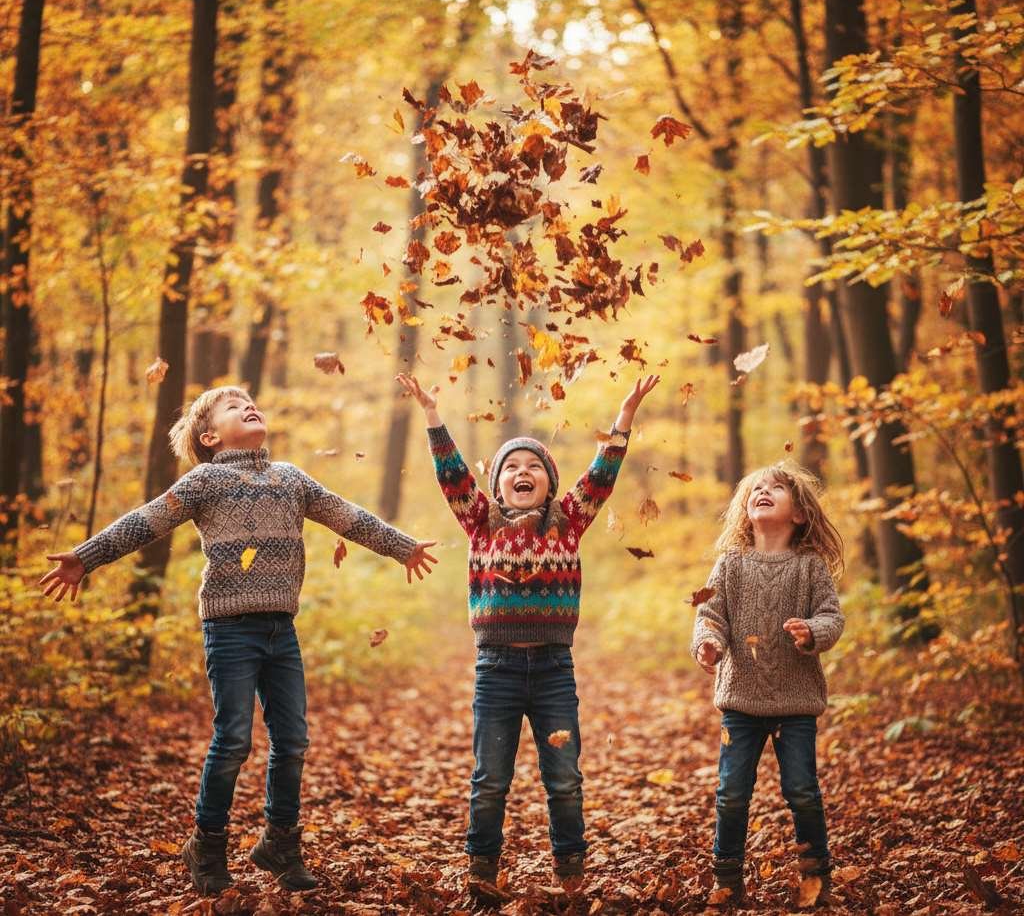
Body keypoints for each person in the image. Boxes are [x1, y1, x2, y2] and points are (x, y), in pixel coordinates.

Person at [39, 386, 437, 895]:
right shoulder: (205, 480)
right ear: (209, 436)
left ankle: (279, 842)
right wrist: (86, 557)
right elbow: (146, 521)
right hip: (229, 630)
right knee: (232, 740)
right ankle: (206, 845)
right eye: (233, 407)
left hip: (280, 629)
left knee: (293, 740)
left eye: (251, 402)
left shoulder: (290, 478)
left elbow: (348, 516)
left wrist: (402, 548)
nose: (249, 407)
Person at [397, 370, 659, 894]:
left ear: (550, 483)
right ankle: (481, 871)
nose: (523, 471)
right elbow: (451, 474)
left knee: (563, 778)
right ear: (495, 486)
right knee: (490, 779)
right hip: (496, 669)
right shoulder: (479, 521)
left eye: (533, 466)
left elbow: (602, 475)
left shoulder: (568, 521)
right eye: (511, 467)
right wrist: (432, 416)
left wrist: (624, 418)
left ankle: (570, 871)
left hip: (554, 669)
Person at [691, 461, 844, 906]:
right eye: (757, 488)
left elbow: (832, 616)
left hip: (796, 703)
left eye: (777, 488)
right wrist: (708, 643)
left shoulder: (810, 567)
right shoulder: (731, 564)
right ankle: (727, 876)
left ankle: (816, 872)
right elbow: (711, 615)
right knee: (732, 791)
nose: (764, 491)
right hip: (740, 702)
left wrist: (812, 632)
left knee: (801, 789)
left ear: (799, 513)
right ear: (745, 507)